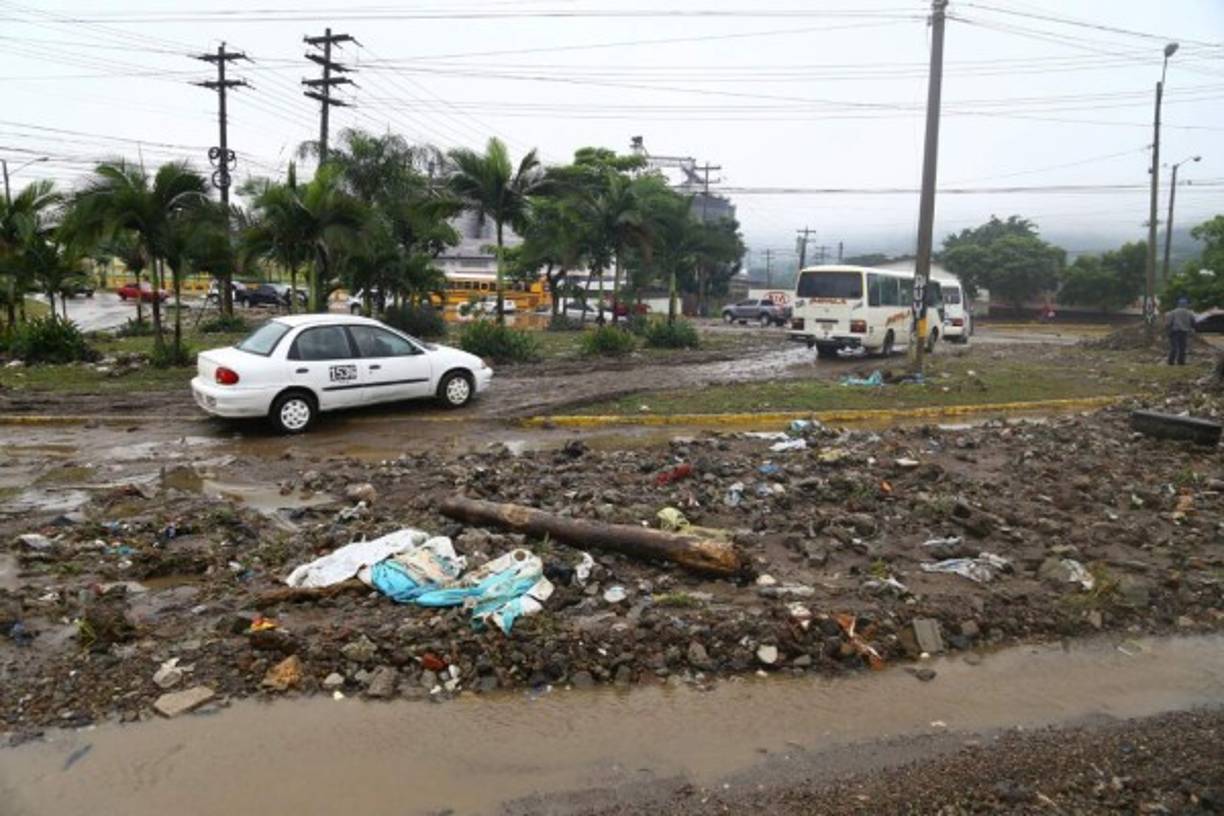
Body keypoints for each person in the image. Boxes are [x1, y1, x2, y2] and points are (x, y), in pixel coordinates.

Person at [1165, 296, 1195, 366]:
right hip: (1184, 332)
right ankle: (1181, 362)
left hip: (1174, 331)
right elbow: (1193, 322)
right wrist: (1191, 328)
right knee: (1183, 347)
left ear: (1178, 304)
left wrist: (1167, 331)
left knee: (1174, 347)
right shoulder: (1189, 313)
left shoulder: (1173, 312)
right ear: (1186, 304)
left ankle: (1171, 361)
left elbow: (1168, 323)